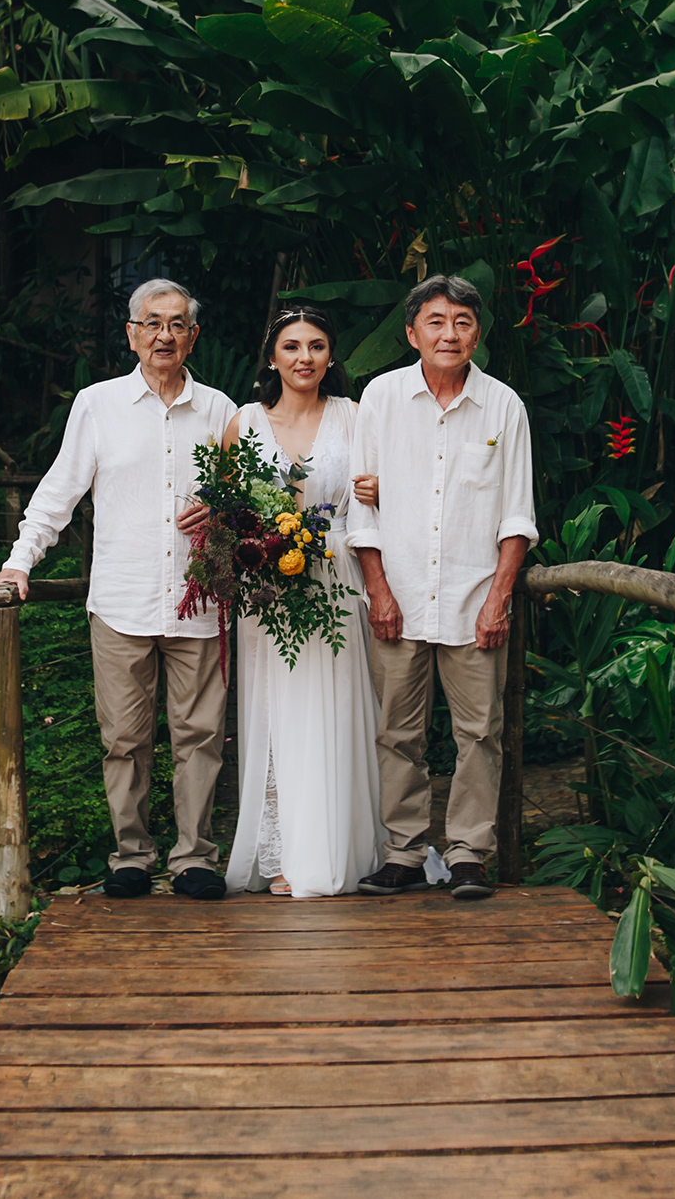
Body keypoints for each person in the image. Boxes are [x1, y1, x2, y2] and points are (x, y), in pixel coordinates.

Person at [0, 279, 237, 900]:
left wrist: (223, 512)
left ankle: (195, 858)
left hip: (198, 603)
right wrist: (21, 561)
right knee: (124, 739)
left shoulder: (220, 410)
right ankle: (131, 854)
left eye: (177, 324)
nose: (164, 335)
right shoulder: (97, 405)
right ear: (131, 334)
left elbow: (251, 504)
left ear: (193, 336)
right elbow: (59, 492)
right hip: (122, 601)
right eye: (152, 323)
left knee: (200, 736)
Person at [347, 274, 538, 900]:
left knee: (480, 733)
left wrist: (498, 597)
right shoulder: (380, 397)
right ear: (411, 333)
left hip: (472, 598)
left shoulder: (504, 406)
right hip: (397, 596)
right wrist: (378, 589)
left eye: (460, 322)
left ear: (477, 332)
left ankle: (467, 856)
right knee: (397, 733)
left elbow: (516, 514)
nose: (448, 334)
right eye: (435, 321)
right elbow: (361, 508)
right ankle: (402, 853)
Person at [225, 307, 383, 898]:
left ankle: (341, 846)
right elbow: (226, 509)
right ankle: (283, 849)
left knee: (339, 710)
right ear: (272, 357)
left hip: (339, 574)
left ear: (331, 357)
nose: (304, 357)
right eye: (291, 347)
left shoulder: (355, 416)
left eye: (317, 346)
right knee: (277, 711)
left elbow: (388, 493)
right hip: (268, 587)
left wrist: (378, 488)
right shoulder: (243, 423)